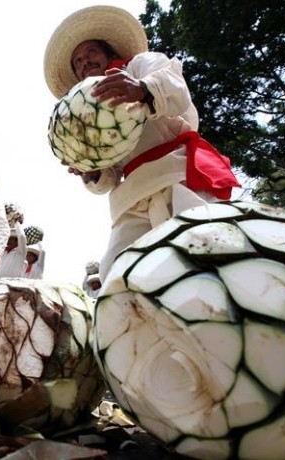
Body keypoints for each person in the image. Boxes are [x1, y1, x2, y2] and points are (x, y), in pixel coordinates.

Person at [44, 6, 239, 280]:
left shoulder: (139, 65)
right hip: (133, 198)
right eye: (77, 61)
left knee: (209, 260)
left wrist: (143, 89)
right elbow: (110, 179)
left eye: (90, 53)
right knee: (117, 278)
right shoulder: (85, 117)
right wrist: (91, 168)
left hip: (179, 178)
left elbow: (175, 88)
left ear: (109, 53)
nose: (84, 62)